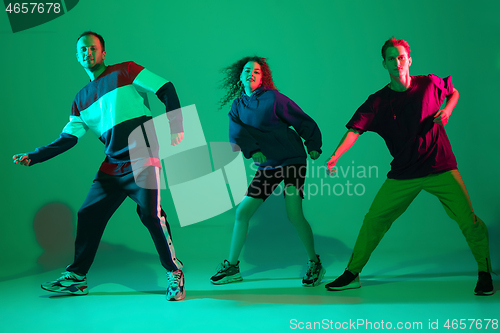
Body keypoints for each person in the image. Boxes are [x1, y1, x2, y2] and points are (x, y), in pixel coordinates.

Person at [12, 31, 186, 301]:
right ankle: (77, 278)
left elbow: (166, 88)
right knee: (88, 214)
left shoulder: (126, 70)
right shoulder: (80, 99)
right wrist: (35, 156)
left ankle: (174, 272)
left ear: (103, 53)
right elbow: (68, 138)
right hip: (113, 164)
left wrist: (175, 123)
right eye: (82, 50)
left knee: (151, 215)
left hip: (143, 155)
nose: (87, 53)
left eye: (92, 48)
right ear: (78, 57)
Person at [324, 37, 493, 296]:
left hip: (440, 167)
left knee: (468, 221)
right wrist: (336, 155)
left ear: (409, 60)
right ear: (384, 64)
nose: (397, 62)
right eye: (391, 58)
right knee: (374, 220)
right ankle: (352, 273)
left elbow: (453, 92)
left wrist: (447, 110)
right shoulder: (378, 101)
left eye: (401, 57)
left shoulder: (428, 84)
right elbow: (354, 130)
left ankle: (484, 272)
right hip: (404, 174)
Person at [210, 56, 326, 287]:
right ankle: (232, 267)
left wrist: (313, 144)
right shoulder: (237, 107)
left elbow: (301, 118)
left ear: (263, 77)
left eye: (257, 71)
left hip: (292, 159)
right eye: (247, 70)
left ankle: (315, 263)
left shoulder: (273, 98)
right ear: (240, 76)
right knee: (242, 212)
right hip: (269, 165)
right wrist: (253, 151)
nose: (251, 74)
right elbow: (237, 135)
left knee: (294, 213)